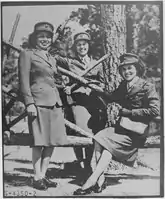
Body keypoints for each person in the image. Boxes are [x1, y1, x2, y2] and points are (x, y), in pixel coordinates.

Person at [74, 53, 160, 195]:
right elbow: (111, 96)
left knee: (107, 148)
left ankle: (91, 181)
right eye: (124, 69)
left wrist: (129, 112)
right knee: (98, 138)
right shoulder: (123, 85)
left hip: (136, 132)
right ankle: (100, 181)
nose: (127, 72)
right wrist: (94, 86)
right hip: (122, 128)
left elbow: (154, 110)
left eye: (130, 68)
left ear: (137, 69)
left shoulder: (147, 86)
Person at [18, 22, 68, 190]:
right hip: (38, 102)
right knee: (39, 141)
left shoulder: (51, 58)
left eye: (48, 37)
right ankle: (36, 176)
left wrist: (63, 86)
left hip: (55, 103)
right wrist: (29, 103)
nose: (45, 39)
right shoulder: (27, 54)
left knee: (51, 142)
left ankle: (44, 175)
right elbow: (23, 81)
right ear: (35, 38)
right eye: (41, 36)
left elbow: (51, 82)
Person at [63, 32, 107, 175]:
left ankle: (88, 164)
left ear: (89, 46)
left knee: (94, 132)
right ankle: (82, 163)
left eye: (84, 44)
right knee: (82, 131)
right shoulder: (70, 62)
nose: (82, 47)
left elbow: (102, 82)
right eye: (79, 45)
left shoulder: (97, 63)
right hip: (78, 102)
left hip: (94, 102)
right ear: (75, 47)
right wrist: (67, 87)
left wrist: (96, 85)